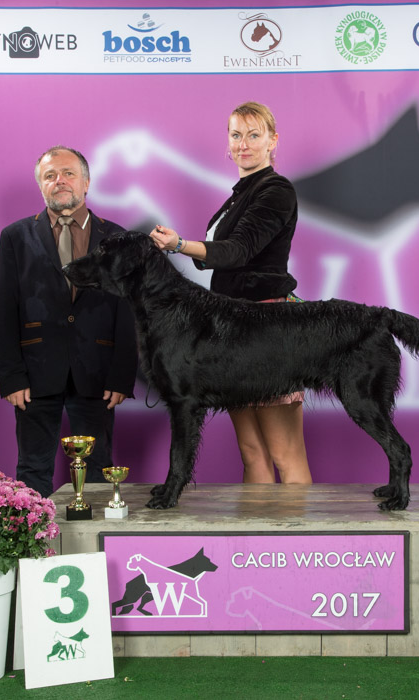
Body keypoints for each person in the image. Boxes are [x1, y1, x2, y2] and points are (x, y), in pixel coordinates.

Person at [150, 102, 312, 485]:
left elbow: (237, 251)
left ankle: (296, 527)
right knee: (252, 452)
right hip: (231, 328)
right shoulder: (239, 195)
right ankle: (257, 527)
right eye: (237, 135)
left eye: (254, 135)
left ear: (273, 141)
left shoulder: (276, 190)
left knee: (285, 454)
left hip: (269, 329)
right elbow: (221, 257)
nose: (244, 144)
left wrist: (179, 245)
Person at [0, 146, 138, 497]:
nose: (59, 181)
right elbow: (4, 310)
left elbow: (128, 310)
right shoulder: (15, 237)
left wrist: (121, 375)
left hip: (98, 372)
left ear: (86, 182)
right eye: (50, 175)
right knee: (32, 468)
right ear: (41, 186)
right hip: (34, 372)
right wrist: (12, 377)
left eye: (68, 173)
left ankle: (96, 533)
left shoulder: (118, 238)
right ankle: (36, 534)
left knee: (99, 469)